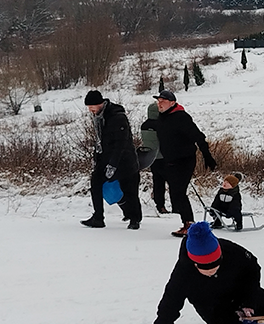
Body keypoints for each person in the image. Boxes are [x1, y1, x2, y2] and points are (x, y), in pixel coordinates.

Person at [140, 222, 264, 324]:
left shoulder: (232, 251)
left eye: (215, 264)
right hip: (211, 303)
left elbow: (253, 270)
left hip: (238, 292)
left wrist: (248, 303)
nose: (211, 270)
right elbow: (168, 309)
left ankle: (239, 319)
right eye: (205, 267)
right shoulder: (183, 274)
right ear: (194, 263)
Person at [143, 90, 217, 237]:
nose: (160, 104)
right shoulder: (162, 118)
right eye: (158, 101)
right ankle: (186, 223)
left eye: (163, 101)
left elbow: (198, 136)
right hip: (169, 160)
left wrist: (207, 156)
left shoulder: (181, 117)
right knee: (175, 192)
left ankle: (189, 225)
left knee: (178, 191)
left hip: (185, 160)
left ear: (172, 103)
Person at [81, 90, 142, 229]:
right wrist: (97, 159)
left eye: (92, 107)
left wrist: (113, 165)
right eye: (88, 108)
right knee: (95, 182)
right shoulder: (99, 117)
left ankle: (135, 219)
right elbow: (100, 141)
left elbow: (121, 143)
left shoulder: (117, 117)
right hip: (105, 158)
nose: (90, 110)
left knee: (129, 189)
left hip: (125, 160)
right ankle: (98, 217)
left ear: (100, 103)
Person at [142, 101, 169, 214]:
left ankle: (159, 204)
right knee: (172, 182)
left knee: (158, 181)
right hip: (164, 157)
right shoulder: (162, 125)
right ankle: (176, 206)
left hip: (151, 157)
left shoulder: (144, 125)